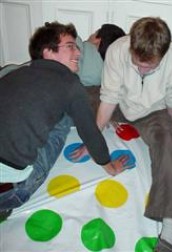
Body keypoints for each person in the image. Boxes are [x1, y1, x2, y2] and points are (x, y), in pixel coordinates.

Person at [74, 17, 172, 252]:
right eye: (137, 63)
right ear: (131, 46)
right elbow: (108, 98)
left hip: (153, 113)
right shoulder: (118, 50)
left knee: (167, 148)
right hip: (120, 104)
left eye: (149, 66)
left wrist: (171, 137)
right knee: (76, 94)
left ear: (164, 54)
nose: (141, 69)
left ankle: (170, 226)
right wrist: (93, 139)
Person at [0, 21, 129, 222]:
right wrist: (109, 165)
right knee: (66, 115)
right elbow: (89, 132)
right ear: (48, 52)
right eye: (70, 46)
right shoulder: (70, 83)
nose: (78, 52)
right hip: (13, 188)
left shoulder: (16, 73)